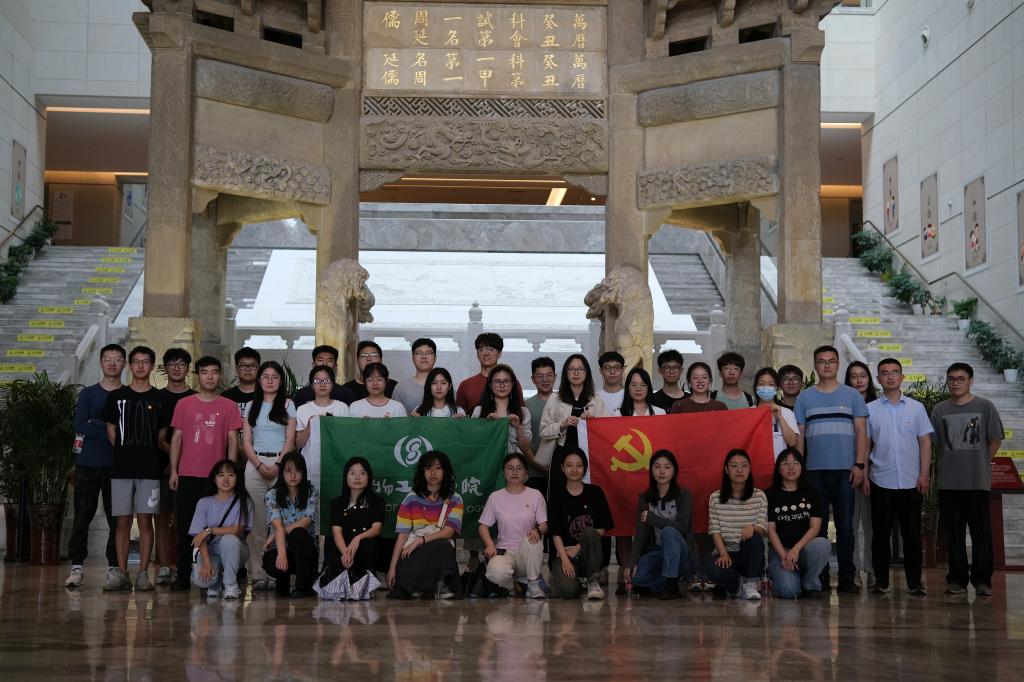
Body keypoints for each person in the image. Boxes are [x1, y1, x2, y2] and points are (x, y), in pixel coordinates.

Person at [795, 345, 869, 593]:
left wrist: (859, 465)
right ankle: (821, 576)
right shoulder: (805, 398)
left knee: (846, 527)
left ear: (838, 365)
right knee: (817, 527)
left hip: (845, 471)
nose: (826, 365)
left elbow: (861, 432)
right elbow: (800, 436)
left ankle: (847, 577)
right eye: (821, 361)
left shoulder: (852, 395)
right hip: (814, 472)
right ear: (815, 365)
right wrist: (800, 470)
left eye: (831, 361)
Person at [168, 356, 242, 592]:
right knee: (184, 526)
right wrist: (174, 470)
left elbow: (232, 441)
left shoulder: (229, 406)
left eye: (214, 372)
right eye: (204, 372)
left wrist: (230, 473)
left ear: (220, 375)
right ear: (197, 375)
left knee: (219, 525)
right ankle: (182, 575)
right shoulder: (184, 404)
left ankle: (223, 572)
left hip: (216, 478)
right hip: (188, 474)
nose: (210, 377)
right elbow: (177, 439)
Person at [931, 362, 1003, 596]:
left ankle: (983, 580)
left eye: (960, 379)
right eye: (951, 379)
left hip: (976, 481)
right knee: (953, 534)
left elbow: (995, 440)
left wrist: (982, 461)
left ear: (971, 381)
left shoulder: (985, 406)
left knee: (981, 533)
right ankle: (957, 580)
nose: (955, 383)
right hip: (948, 482)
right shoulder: (939, 410)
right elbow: (934, 443)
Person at [102, 345, 169, 592]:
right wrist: (123, 450)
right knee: (121, 522)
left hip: (150, 469)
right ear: (130, 366)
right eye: (136, 362)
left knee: (145, 521)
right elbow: (111, 430)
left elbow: (161, 436)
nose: (140, 366)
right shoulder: (116, 396)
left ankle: (142, 573)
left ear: (152, 366)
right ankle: (121, 573)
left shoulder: (161, 399)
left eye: (145, 362)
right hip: (121, 468)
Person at [866, 358, 934, 596]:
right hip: (880, 480)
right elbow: (865, 445)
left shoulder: (916, 408)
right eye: (884, 373)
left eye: (895, 372)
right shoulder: (870, 409)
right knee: (880, 535)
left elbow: (925, 443)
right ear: (878, 379)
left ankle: (915, 582)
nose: (890, 377)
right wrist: (864, 475)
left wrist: (924, 474)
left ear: (902, 377)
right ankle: (881, 581)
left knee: (912, 534)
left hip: (911, 481)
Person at [65, 343, 125, 590]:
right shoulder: (88, 394)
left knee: (116, 520)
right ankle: (77, 566)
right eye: (107, 359)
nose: (112, 363)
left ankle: (114, 567)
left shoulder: (127, 394)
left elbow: (126, 431)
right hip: (87, 464)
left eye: (117, 359)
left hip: (116, 466)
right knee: (82, 516)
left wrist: (97, 424)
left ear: (124, 364)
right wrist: (109, 430)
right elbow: (81, 426)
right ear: (101, 363)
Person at [241, 360, 297, 591]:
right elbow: (246, 441)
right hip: (255, 466)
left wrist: (278, 464)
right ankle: (258, 573)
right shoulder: (250, 405)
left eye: (275, 377)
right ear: (259, 380)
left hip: (280, 466)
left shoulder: (288, 404)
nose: (270, 380)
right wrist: (258, 464)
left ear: (281, 381)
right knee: (257, 523)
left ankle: (275, 572)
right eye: (265, 376)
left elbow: (290, 439)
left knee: (278, 523)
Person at [387, 451, 465, 599]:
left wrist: (419, 541)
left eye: (438, 468)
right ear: (422, 471)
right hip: (414, 553)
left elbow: (447, 533)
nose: (433, 472)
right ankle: (418, 585)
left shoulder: (455, 499)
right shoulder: (411, 498)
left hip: (436, 550)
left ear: (445, 471)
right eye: (428, 468)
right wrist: (392, 569)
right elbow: (402, 536)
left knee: (442, 545)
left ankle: (436, 584)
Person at [622, 449, 693, 600]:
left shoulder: (684, 495)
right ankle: (668, 581)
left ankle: (671, 587)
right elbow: (639, 534)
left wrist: (653, 519)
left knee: (668, 532)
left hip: (681, 553)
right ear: (651, 471)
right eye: (657, 467)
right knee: (635, 578)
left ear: (674, 472)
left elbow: (682, 527)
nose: (662, 471)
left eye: (667, 467)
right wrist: (631, 562)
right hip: (657, 551)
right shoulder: (645, 498)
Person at [478, 453, 549, 599]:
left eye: (519, 468)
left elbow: (544, 524)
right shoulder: (495, 497)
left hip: (526, 554)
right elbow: (483, 526)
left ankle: (533, 584)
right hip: (505, 552)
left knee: (533, 540)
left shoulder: (535, 495)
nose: (515, 472)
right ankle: (513, 586)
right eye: (510, 468)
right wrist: (490, 545)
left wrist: (537, 530)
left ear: (525, 472)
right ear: (504, 472)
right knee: (494, 573)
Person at [765, 448, 832, 598]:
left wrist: (796, 549)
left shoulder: (813, 493)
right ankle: (791, 577)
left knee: (822, 544)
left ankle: (810, 582)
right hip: (780, 551)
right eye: (785, 463)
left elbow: (815, 527)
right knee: (788, 591)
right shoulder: (769, 494)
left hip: (803, 550)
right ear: (778, 468)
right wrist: (784, 555)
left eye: (795, 463)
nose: (791, 467)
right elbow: (770, 530)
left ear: (802, 467)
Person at [547, 448, 613, 599]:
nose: (574, 470)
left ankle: (592, 581)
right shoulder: (556, 496)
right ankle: (577, 581)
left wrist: (577, 548)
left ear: (585, 468)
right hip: (565, 553)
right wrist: (564, 559)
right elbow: (555, 533)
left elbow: (601, 528)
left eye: (579, 465)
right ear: (562, 468)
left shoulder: (595, 492)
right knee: (568, 592)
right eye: (569, 465)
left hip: (590, 553)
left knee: (590, 531)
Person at [155, 347, 196, 586]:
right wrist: (176, 459)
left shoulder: (196, 398)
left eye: (181, 364)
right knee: (161, 518)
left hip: (191, 468)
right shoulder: (157, 397)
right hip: (161, 467)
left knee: (186, 520)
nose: (177, 368)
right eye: (172, 364)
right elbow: (158, 438)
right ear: (165, 368)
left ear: (188, 368)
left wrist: (183, 460)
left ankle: (186, 565)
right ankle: (163, 566)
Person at [538, 354, 608, 492]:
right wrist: (562, 424)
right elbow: (543, 431)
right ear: (566, 373)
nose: (576, 373)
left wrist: (593, 422)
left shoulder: (596, 399)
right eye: (572, 369)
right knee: (559, 494)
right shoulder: (555, 398)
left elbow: (607, 431)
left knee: (587, 494)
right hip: (561, 455)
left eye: (580, 369)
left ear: (587, 373)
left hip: (588, 456)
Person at [189, 459, 254, 600]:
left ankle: (230, 584)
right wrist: (206, 563)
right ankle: (216, 582)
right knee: (203, 580)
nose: (226, 479)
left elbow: (236, 530)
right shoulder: (204, 503)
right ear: (214, 479)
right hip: (211, 552)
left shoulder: (244, 501)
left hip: (236, 550)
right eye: (221, 475)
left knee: (229, 539)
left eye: (231, 475)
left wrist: (209, 530)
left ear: (237, 478)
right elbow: (199, 537)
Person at [320, 457, 385, 600]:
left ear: (369, 477)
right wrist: (345, 554)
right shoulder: (336, 503)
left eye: (362, 473)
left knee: (368, 544)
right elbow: (336, 532)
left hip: (363, 550)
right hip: (342, 550)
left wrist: (358, 538)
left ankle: (366, 585)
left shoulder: (377, 502)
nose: (357, 477)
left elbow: (376, 529)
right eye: (352, 473)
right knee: (330, 542)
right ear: (346, 477)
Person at [707, 449, 768, 600]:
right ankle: (737, 586)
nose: (739, 470)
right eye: (734, 466)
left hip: (749, 552)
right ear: (726, 469)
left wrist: (753, 528)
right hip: (727, 552)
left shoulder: (759, 495)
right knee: (713, 569)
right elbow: (715, 531)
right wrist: (723, 553)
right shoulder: (715, 498)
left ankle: (750, 583)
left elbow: (762, 527)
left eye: (744, 466)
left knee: (754, 537)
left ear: (750, 469)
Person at [262, 452, 319, 598]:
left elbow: (306, 521)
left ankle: (304, 588)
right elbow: (277, 526)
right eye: (288, 470)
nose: (293, 475)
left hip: (305, 551)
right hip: (281, 548)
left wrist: (275, 535)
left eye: (297, 470)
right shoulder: (271, 495)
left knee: (298, 533)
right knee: (276, 560)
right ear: (281, 473)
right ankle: (282, 583)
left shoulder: (311, 492)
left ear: (304, 473)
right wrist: (281, 554)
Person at [846, 360, 878, 589]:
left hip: (876, 473)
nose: (859, 380)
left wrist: (865, 470)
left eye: (863, 375)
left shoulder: (878, 405)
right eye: (854, 376)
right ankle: (854, 570)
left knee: (872, 525)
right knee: (850, 524)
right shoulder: (843, 404)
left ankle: (873, 569)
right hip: (849, 470)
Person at [295, 365, 350, 492]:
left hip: (335, 463)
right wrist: (309, 426)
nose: (322, 384)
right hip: (309, 464)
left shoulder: (342, 408)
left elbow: (346, 440)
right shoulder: (303, 409)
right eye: (317, 381)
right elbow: (298, 444)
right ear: (311, 385)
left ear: (333, 383)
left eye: (327, 380)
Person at [472, 364, 533, 458]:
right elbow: (473, 443)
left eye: (506, 381)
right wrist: (486, 425)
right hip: (487, 462)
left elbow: (526, 448)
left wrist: (518, 427)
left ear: (512, 384)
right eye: (497, 381)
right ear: (490, 385)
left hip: (514, 465)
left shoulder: (524, 412)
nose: (502, 385)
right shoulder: (479, 411)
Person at [456, 332, 523, 415]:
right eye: (481, 350)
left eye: (491, 349)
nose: (486, 353)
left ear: (499, 354)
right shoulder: (465, 385)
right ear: (477, 354)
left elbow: (520, 413)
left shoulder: (511, 383)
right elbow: (459, 417)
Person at [524, 357, 556, 493]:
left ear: (555, 377)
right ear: (533, 379)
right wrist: (537, 464)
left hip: (562, 471)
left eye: (549, 375)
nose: (545, 380)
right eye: (540, 376)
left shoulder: (564, 402)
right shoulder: (526, 406)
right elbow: (523, 442)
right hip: (534, 472)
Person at [292, 345, 356, 408]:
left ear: (335, 366)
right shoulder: (302, 394)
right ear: (313, 365)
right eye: (320, 360)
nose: (324, 364)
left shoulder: (346, 394)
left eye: (329, 361)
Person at [753, 367, 798, 457]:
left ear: (776, 388)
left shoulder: (787, 413)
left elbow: (792, 442)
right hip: (756, 462)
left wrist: (780, 416)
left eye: (771, 384)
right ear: (756, 387)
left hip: (779, 463)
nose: (766, 388)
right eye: (761, 384)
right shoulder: (749, 412)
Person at [394, 338, 437, 413]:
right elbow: (395, 416)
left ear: (435, 358)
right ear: (413, 359)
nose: (424, 356)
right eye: (419, 353)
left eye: (428, 353)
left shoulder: (444, 385)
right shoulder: (401, 387)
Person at [222, 347, 260, 416]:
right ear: (236, 369)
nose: (248, 369)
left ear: (259, 369)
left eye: (252, 366)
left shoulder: (266, 396)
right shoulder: (225, 397)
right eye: (243, 365)